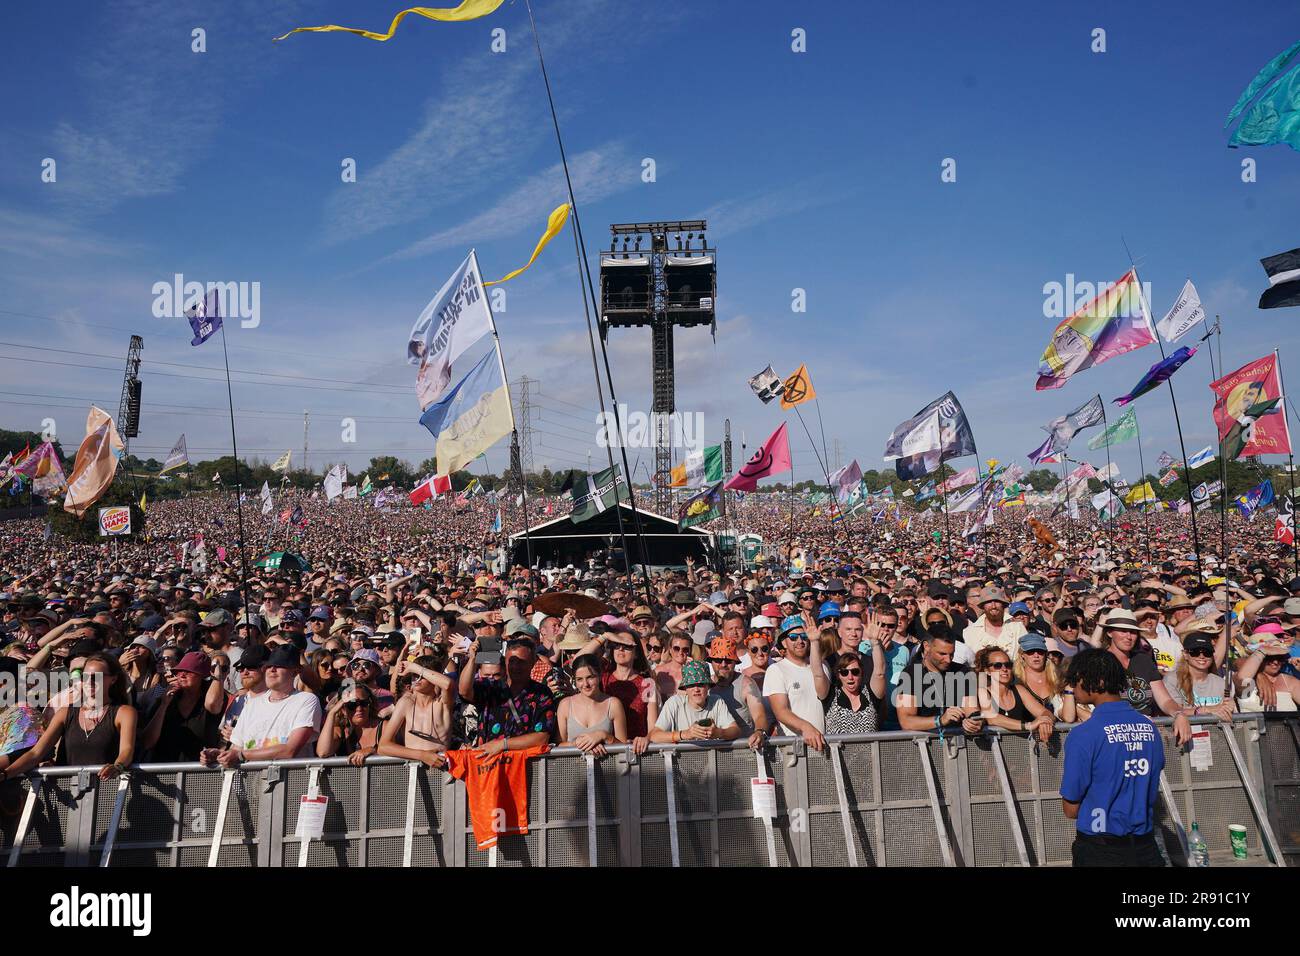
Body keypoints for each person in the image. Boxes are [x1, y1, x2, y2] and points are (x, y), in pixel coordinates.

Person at [1059, 649, 1166, 867]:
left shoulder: (1084, 734)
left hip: (1100, 849)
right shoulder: (1149, 728)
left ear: (1096, 681)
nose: (1072, 685)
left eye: (1075, 679)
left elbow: (1071, 809)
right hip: (1145, 847)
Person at [1, 653, 137, 783]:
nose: (90, 681)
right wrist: (6, 774)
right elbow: (36, 753)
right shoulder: (65, 712)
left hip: (106, 790)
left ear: (113, 679)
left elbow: (127, 750)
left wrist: (117, 766)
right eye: (85, 676)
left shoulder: (124, 712)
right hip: (68, 794)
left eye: (97, 676)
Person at [204, 644, 322, 766]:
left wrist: (241, 755)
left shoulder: (306, 700)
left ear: (295, 672)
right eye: (268, 666)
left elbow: (289, 750)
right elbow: (237, 749)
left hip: (290, 780)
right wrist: (220, 755)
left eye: (279, 665)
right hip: (251, 780)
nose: (272, 669)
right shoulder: (252, 704)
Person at [1094, 609, 1191, 744]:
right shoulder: (1099, 662)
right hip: (1113, 736)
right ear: (1109, 632)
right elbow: (1101, 705)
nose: (1129, 636)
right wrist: (1135, 719)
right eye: (1123, 631)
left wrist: (1179, 714)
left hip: (1145, 734)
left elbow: (1165, 700)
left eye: (1133, 632)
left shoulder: (1144, 661)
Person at [457, 634, 555, 756]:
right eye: (512, 661)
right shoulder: (491, 687)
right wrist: (473, 659)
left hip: (524, 768)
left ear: (533, 662)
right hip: (488, 767)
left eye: (521, 662)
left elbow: (542, 737)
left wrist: (502, 744)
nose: (515, 667)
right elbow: (464, 691)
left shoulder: (541, 693)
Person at [894, 622, 983, 735]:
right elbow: (906, 721)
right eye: (942, 654)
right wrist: (940, 720)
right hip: (922, 745)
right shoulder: (911, 674)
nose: (948, 660)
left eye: (951, 654)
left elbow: (972, 709)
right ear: (926, 646)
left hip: (959, 744)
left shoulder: (962, 672)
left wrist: (975, 721)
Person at [140, 651, 227, 762]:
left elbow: (212, 705)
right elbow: (147, 742)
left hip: (199, 773)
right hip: (164, 771)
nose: (182, 675)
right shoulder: (167, 697)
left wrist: (217, 677)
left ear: (202, 675)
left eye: (189, 671)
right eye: (179, 671)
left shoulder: (211, 695)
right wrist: (163, 705)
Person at [763, 616, 831, 751]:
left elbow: (823, 694)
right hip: (794, 749)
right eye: (793, 637)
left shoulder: (822, 665)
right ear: (783, 642)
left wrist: (815, 642)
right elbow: (781, 711)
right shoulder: (776, 670)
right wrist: (806, 727)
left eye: (804, 636)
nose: (800, 641)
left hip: (824, 744)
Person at [379, 654, 454, 768]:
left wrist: (414, 667)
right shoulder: (406, 702)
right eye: (414, 675)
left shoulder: (442, 703)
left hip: (442, 771)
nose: (417, 679)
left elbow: (448, 684)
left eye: (422, 676)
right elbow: (383, 747)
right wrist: (422, 755)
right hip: (413, 771)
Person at [649, 660, 742, 744]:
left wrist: (718, 733)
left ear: (708, 686)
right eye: (691, 685)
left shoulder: (716, 701)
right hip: (682, 760)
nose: (696, 689)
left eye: (701, 684)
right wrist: (685, 734)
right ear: (685, 688)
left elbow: (736, 730)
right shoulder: (674, 703)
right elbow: (655, 736)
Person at [974, 647, 1054, 743]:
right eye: (997, 666)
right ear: (987, 671)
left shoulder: (1019, 690)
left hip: (1023, 750)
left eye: (1008, 665)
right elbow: (993, 718)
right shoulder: (982, 692)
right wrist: (1029, 725)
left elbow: (1045, 712)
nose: (1004, 669)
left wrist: (1044, 721)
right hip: (994, 753)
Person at [557, 653, 627, 756]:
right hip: (572, 769)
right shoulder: (565, 705)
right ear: (574, 681)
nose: (585, 684)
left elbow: (624, 747)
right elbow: (557, 745)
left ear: (599, 676)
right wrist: (577, 744)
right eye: (579, 679)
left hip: (608, 769)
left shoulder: (613, 704)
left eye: (590, 677)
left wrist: (604, 736)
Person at [706, 635, 769, 749]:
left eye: (728, 660)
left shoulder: (746, 684)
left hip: (743, 750)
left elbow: (759, 715)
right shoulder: (704, 686)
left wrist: (759, 732)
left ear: (735, 662)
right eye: (719, 660)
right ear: (711, 662)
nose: (723, 664)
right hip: (713, 752)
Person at [1163, 627, 1235, 721]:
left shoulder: (1221, 683)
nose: (1202, 656)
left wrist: (1230, 707)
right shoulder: (1172, 679)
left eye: (1207, 652)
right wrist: (1206, 710)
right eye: (1195, 652)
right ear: (1185, 654)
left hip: (1217, 733)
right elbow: (1175, 711)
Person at [1013, 633, 1080, 722]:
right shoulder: (1015, 680)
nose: (1036, 655)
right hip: (1023, 735)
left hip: (1060, 734)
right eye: (1030, 651)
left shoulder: (1059, 678)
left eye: (1040, 651)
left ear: (1046, 654)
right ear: (1022, 655)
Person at [318, 683, 387, 766]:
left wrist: (373, 750)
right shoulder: (340, 731)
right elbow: (323, 752)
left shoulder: (385, 726)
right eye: (352, 705)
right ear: (343, 709)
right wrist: (331, 713)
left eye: (363, 703)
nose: (359, 709)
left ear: (370, 704)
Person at [824, 647, 886, 734]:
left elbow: (880, 674)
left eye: (855, 672)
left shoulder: (870, 694)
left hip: (869, 747)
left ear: (862, 673)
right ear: (839, 675)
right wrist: (814, 641)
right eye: (844, 672)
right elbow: (817, 675)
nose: (850, 677)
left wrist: (875, 643)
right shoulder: (831, 695)